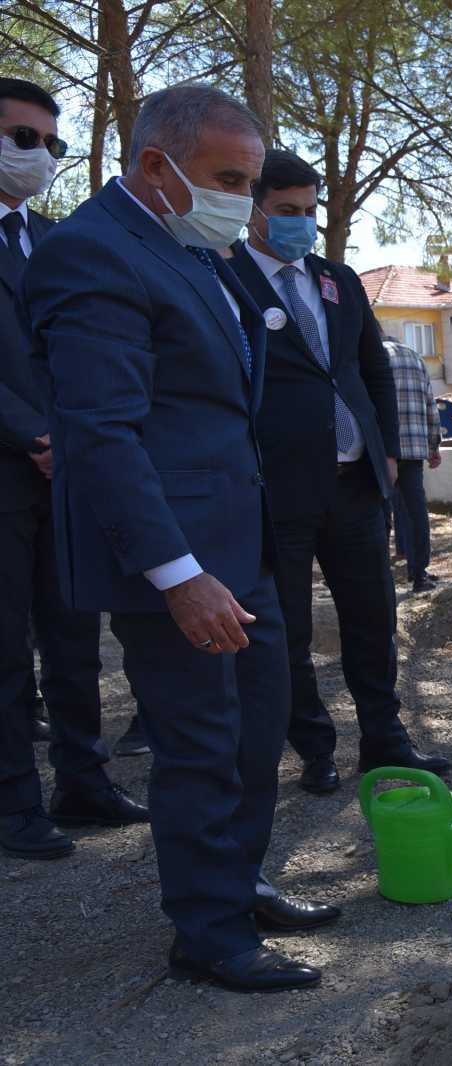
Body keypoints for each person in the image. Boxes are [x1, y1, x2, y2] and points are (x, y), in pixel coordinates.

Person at [25, 84, 334, 990]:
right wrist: (176, 573)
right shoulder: (92, 256)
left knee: (255, 730)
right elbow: (101, 433)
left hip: (243, 542)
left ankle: (237, 882)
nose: (243, 197)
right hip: (176, 560)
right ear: (156, 167)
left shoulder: (193, 247)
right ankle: (207, 934)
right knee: (199, 745)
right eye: (228, 178)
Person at [229, 149, 449, 795]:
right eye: (286, 212)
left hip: (355, 481)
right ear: (253, 210)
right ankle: (314, 746)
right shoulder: (225, 276)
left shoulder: (337, 279)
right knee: (289, 628)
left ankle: (385, 740)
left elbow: (368, 368)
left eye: (309, 212)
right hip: (279, 485)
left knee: (372, 618)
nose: (300, 223)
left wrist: (383, 444)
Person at [1, 77, 149, 859]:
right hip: (9, 468)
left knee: (73, 637)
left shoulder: (56, 242)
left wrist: (74, 435)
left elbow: (81, 345)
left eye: (51, 144)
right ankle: (13, 803)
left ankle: (83, 780)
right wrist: (34, 432)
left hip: (66, 474)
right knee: (3, 647)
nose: (41, 156)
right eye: (24, 138)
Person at [388, 335, 442, 591]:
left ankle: (380, 577)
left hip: (381, 451)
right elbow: (431, 405)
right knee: (415, 511)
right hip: (412, 448)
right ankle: (419, 574)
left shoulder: (373, 355)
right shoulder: (415, 358)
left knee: (379, 512)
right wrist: (434, 445)